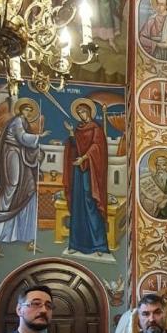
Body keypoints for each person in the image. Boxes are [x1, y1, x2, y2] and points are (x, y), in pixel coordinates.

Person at [0, 100, 49, 256]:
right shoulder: (16, 121)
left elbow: (28, 144)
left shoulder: (25, 123)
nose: (28, 112)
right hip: (12, 153)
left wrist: (38, 152)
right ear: (21, 110)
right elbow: (22, 138)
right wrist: (39, 136)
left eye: (30, 110)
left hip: (22, 157)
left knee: (29, 190)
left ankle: (28, 238)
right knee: (12, 187)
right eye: (26, 109)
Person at [63, 99, 110, 255]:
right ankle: (76, 245)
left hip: (91, 173)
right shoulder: (78, 129)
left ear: (89, 112)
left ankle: (99, 245)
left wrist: (84, 158)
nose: (81, 115)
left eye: (83, 111)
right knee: (78, 206)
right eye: (79, 113)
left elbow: (97, 147)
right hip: (79, 172)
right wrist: (71, 132)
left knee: (91, 205)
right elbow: (75, 146)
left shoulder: (96, 128)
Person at [138, 151, 167, 220]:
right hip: (156, 213)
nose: (160, 168)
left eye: (163, 165)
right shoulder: (151, 180)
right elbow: (143, 197)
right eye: (158, 165)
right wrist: (156, 204)